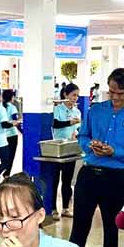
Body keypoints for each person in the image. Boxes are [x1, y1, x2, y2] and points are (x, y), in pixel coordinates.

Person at [69, 68, 124, 247]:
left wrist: (114, 152)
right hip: (89, 175)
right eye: (111, 92)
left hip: (116, 178)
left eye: (120, 93)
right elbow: (83, 136)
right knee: (79, 227)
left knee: (111, 229)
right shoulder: (96, 110)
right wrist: (90, 146)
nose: (115, 97)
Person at [51, 82, 81, 218]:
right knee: (55, 180)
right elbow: (56, 124)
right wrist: (70, 123)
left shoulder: (77, 112)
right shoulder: (58, 109)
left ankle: (65, 208)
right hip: (57, 148)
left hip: (70, 148)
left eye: (77, 96)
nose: (75, 98)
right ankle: (52, 208)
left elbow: (78, 128)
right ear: (65, 94)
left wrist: (77, 132)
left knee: (67, 181)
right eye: (73, 95)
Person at [1, 89, 21, 179]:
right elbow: (15, 122)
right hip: (12, 135)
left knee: (4, 155)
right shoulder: (12, 108)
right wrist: (22, 132)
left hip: (2, 135)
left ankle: (1, 170)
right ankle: (6, 173)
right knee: (11, 155)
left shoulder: (0, 107)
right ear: (11, 97)